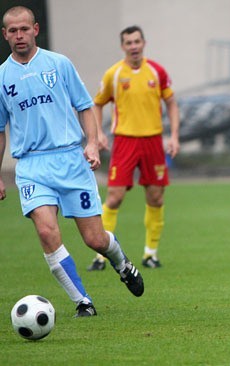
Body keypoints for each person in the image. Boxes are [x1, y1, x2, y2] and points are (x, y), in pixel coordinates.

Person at [0, 6, 144, 317]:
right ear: (5, 35)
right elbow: (0, 130)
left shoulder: (58, 64)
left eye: (24, 29)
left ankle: (121, 263)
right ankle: (83, 301)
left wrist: (91, 144)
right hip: (31, 166)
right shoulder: (2, 77)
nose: (19, 35)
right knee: (46, 232)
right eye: (13, 31)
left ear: (36, 29)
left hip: (69, 160)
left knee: (94, 239)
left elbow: (84, 106)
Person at [87, 25, 180, 271]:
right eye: (128, 43)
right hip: (124, 141)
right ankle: (101, 254)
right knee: (115, 197)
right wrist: (98, 135)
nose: (133, 46)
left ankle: (151, 254)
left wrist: (174, 136)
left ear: (143, 43)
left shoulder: (157, 71)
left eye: (137, 41)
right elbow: (96, 104)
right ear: (123, 46)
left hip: (153, 141)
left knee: (156, 197)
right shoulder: (114, 74)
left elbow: (171, 103)